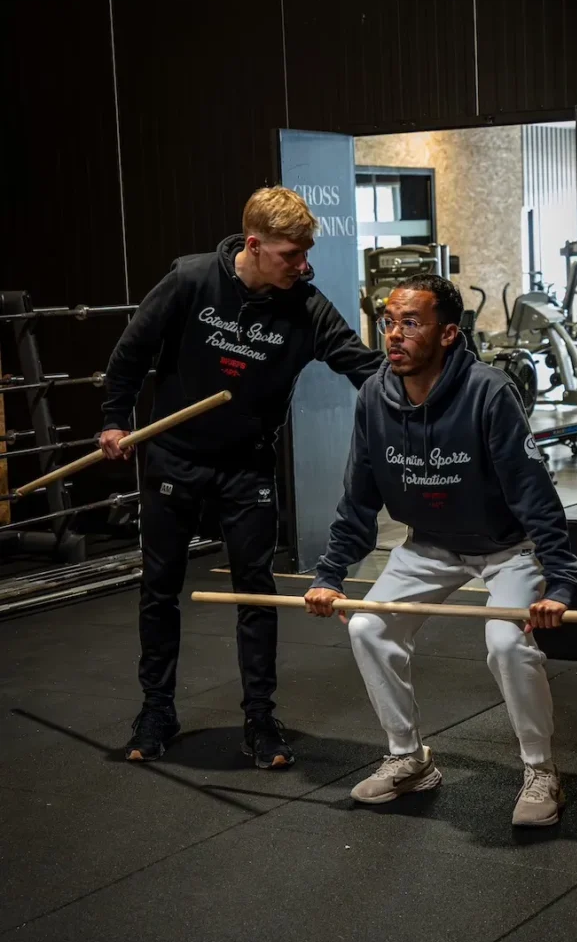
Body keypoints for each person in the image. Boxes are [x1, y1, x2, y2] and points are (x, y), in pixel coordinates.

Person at [100, 186, 383, 767]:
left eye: (306, 254)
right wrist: (112, 420)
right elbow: (130, 354)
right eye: (290, 255)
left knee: (256, 592)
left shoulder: (304, 305)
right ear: (254, 245)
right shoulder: (190, 281)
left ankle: (260, 718)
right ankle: (157, 709)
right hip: (174, 456)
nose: (303, 266)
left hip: (247, 466)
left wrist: (436, 395)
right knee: (159, 589)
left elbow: (363, 366)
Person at [304, 274, 577, 826]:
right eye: (389, 323)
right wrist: (331, 575)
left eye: (412, 323)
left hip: (507, 548)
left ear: (448, 332)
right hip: (430, 544)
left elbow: (533, 493)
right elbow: (358, 498)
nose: (394, 335)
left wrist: (562, 581)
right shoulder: (373, 398)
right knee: (367, 627)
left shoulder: (488, 392)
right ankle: (408, 759)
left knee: (505, 641)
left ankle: (541, 769)